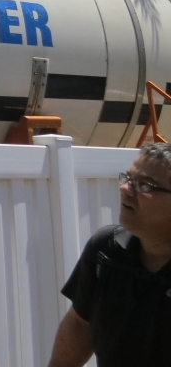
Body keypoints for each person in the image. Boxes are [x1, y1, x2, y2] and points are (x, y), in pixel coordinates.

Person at [47, 141, 171, 367]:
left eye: (145, 185)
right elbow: (79, 324)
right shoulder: (105, 250)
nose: (125, 189)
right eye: (128, 178)